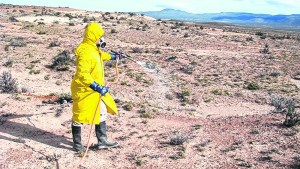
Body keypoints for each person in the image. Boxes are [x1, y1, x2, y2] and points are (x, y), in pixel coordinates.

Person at [71, 22, 123, 152]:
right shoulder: (84, 51)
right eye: (100, 36)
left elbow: (100, 56)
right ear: (93, 36)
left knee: (102, 111)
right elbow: (82, 74)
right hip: (84, 89)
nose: (101, 38)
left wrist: (113, 56)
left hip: (94, 90)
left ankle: (102, 141)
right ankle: (77, 145)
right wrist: (96, 86)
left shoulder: (93, 48)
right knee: (79, 116)